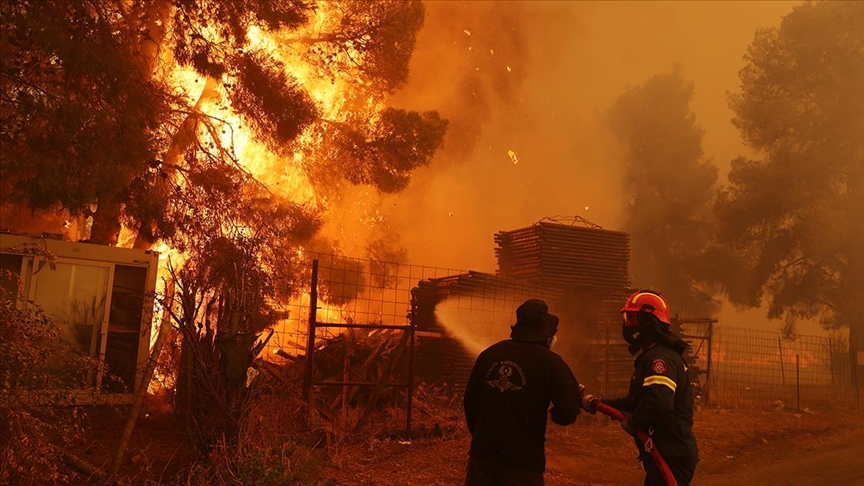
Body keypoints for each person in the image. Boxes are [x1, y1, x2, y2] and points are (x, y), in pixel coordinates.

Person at [582, 290, 699, 486]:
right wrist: (598, 404)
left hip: (671, 454)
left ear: (648, 321)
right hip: (664, 451)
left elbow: (659, 403)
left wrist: (634, 421)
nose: (627, 324)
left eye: (632, 318)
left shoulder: (660, 359)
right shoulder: (653, 354)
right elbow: (636, 401)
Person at [463, 299, 582, 486]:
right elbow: (567, 411)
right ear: (546, 334)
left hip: (482, 459)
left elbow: (470, 402)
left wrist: (482, 437)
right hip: (523, 465)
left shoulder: (488, 355)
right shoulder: (550, 362)